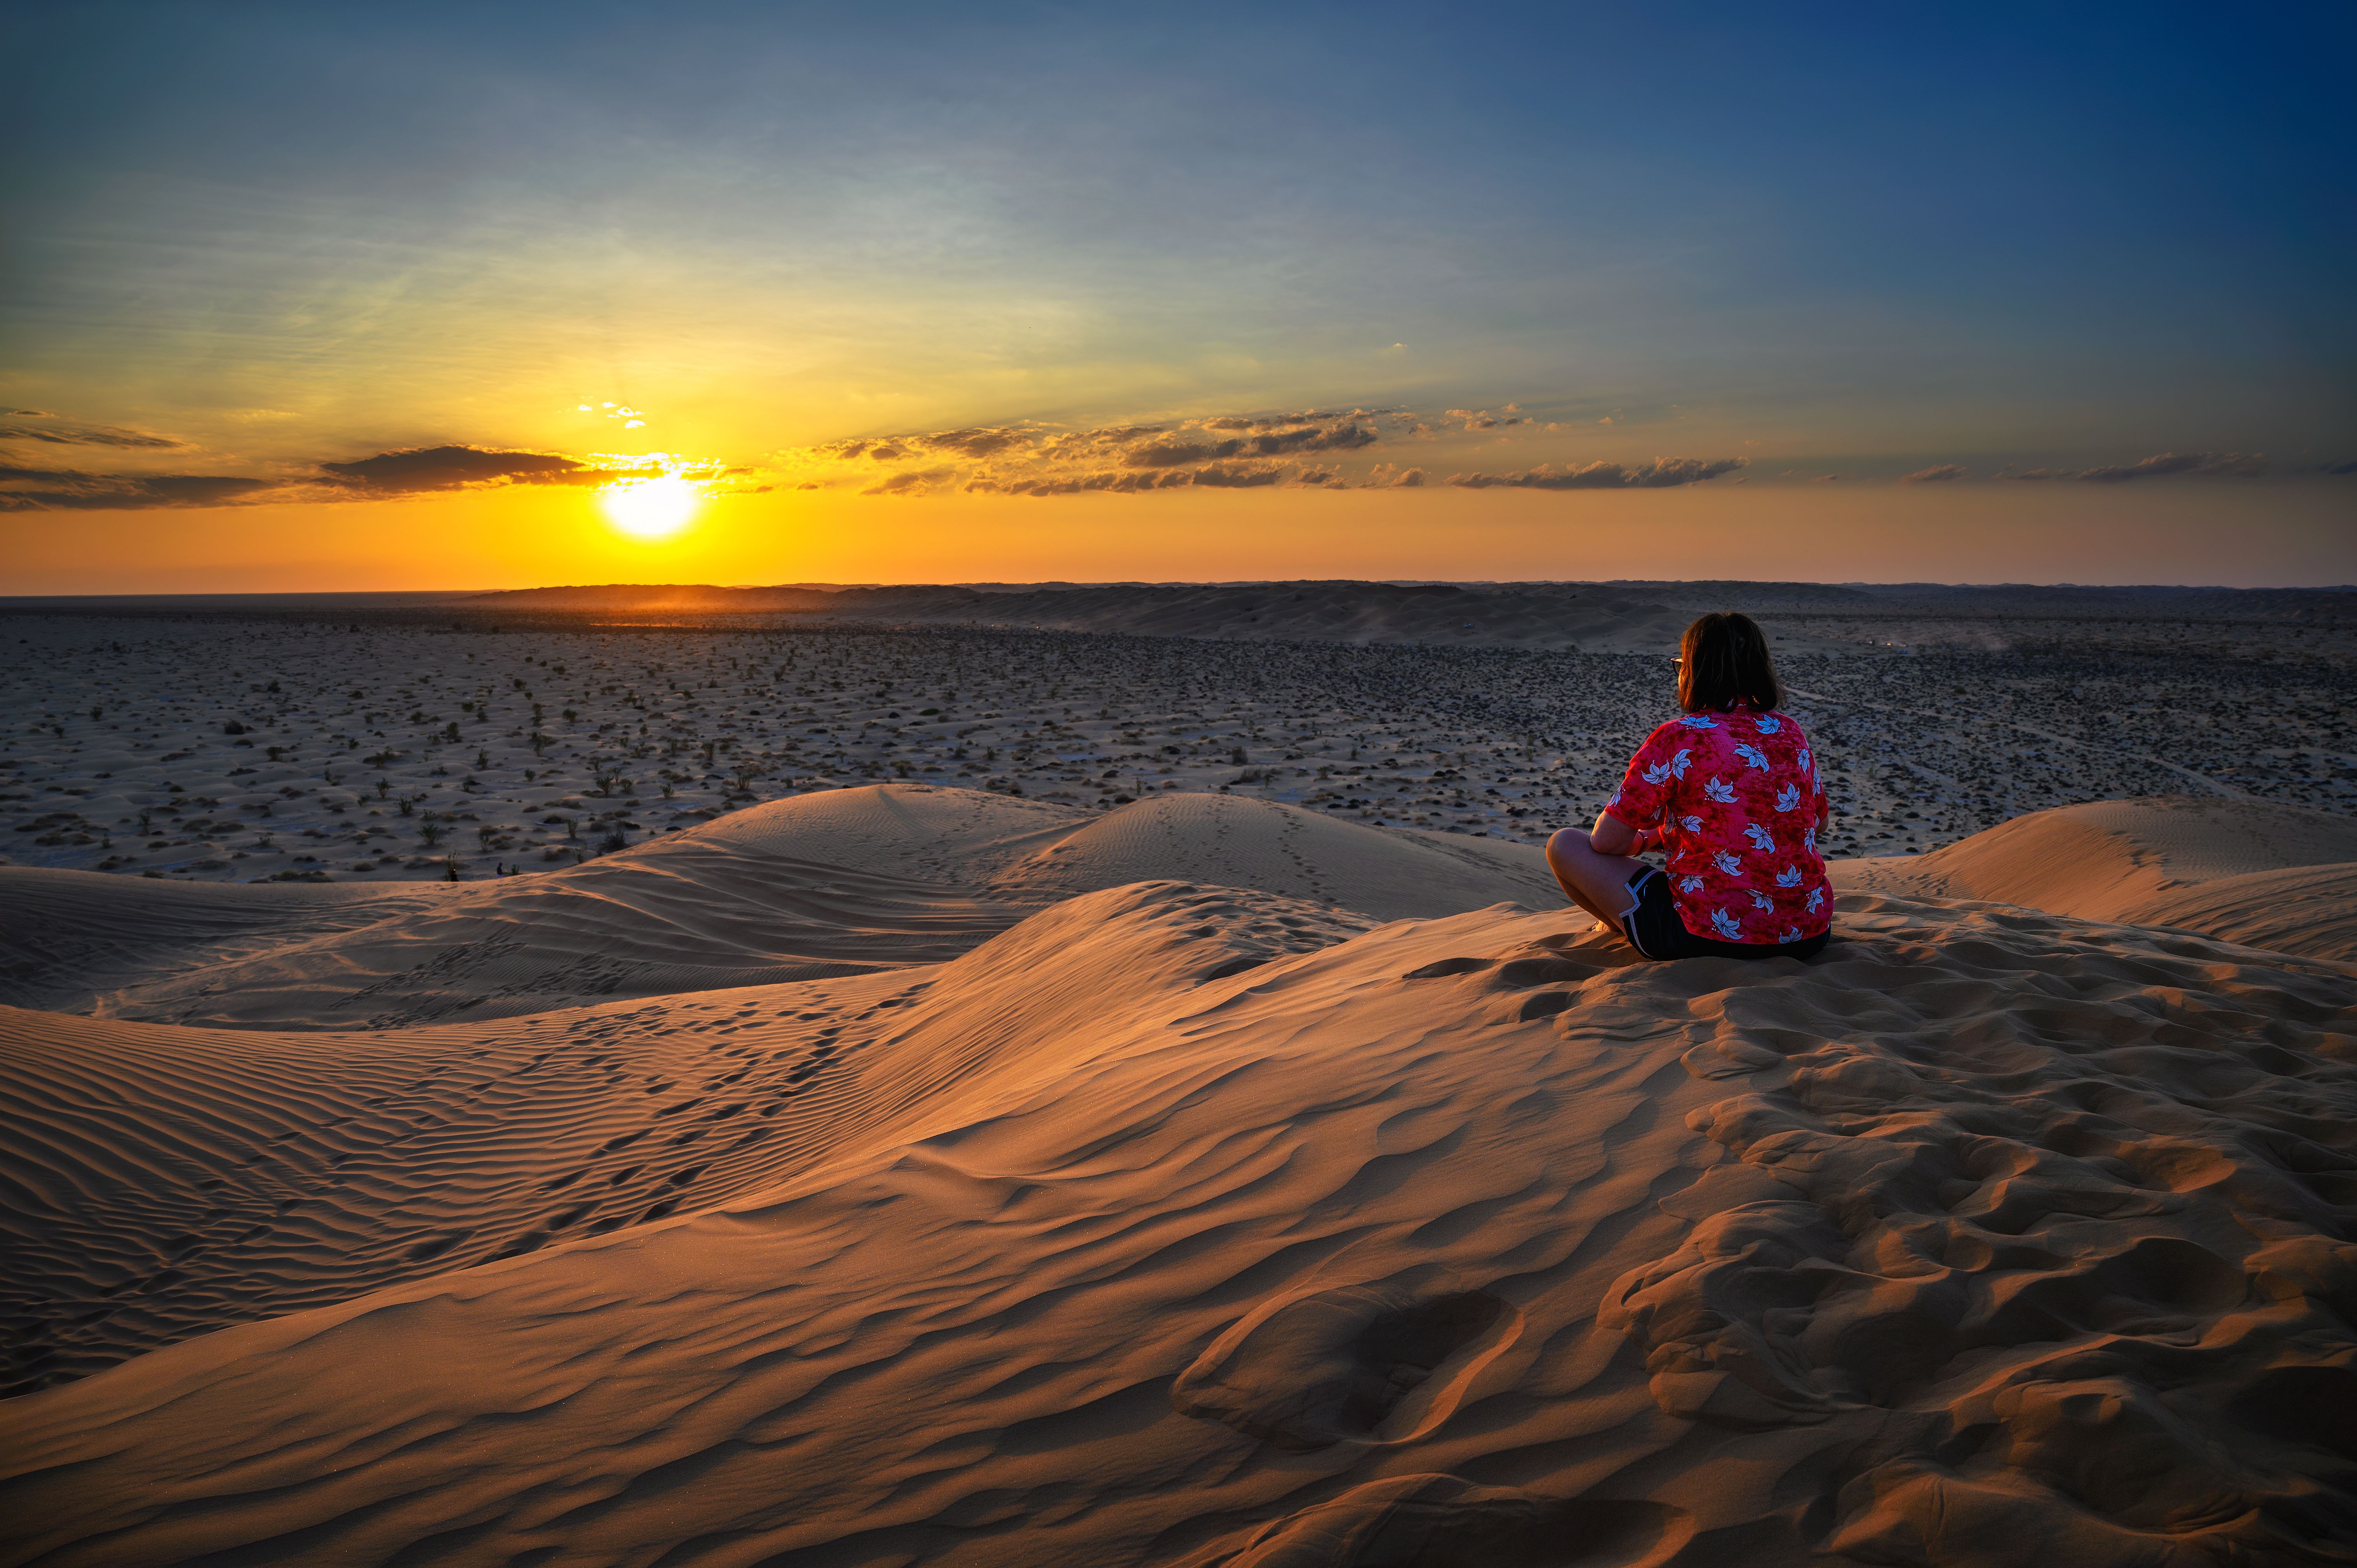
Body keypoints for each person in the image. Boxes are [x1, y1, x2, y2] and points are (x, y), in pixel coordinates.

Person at [1547, 611, 1832, 961]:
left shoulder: (1681, 737)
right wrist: (1665, 837)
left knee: (1564, 845)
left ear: (1694, 672)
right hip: (1808, 934)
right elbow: (1817, 823)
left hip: (1705, 936)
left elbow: (1606, 842)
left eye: (1681, 665)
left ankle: (1618, 925)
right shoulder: (1790, 732)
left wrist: (1639, 842)